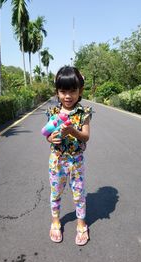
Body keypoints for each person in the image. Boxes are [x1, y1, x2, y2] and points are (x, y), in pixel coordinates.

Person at [45, 66, 92, 245]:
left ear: (80, 91)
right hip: (57, 161)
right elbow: (47, 135)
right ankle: (55, 221)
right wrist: (52, 139)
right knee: (55, 193)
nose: (67, 96)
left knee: (79, 194)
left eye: (72, 91)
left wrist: (72, 130)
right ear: (57, 92)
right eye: (63, 91)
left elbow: (86, 136)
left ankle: (81, 224)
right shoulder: (53, 113)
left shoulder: (83, 113)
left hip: (77, 161)